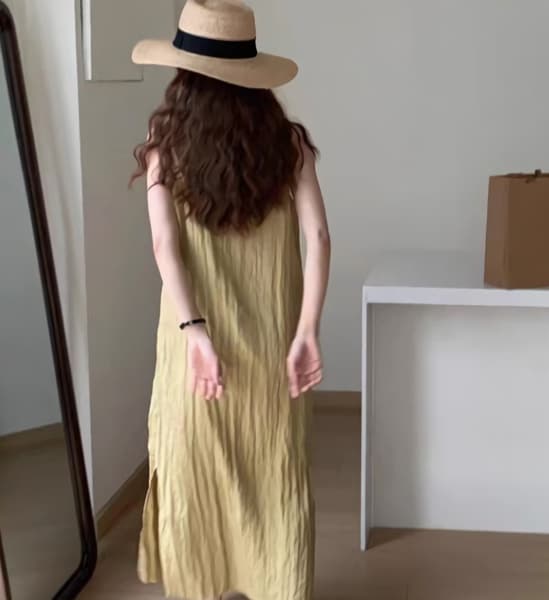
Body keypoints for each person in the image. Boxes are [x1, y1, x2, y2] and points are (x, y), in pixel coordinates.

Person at [130, 1, 330, 599]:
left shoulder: (164, 143)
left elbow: (164, 245)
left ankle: (204, 583)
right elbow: (319, 238)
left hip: (194, 346)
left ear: (182, 74)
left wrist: (195, 332)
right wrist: (307, 330)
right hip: (274, 344)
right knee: (274, 471)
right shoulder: (287, 143)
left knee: (195, 471)